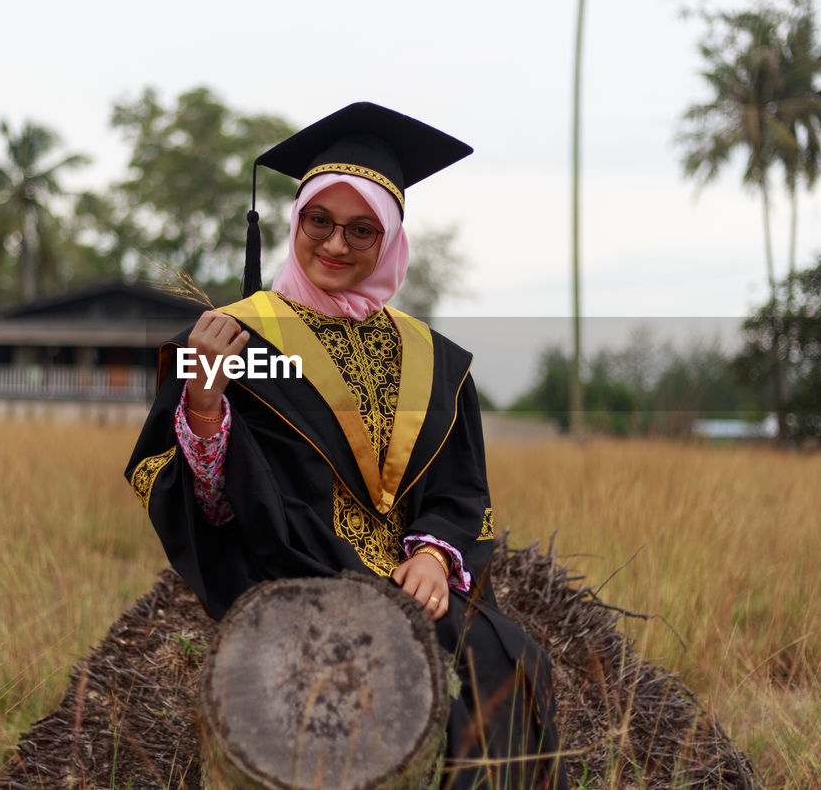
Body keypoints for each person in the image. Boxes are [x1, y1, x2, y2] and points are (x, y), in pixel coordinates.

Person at [126, 102, 568, 788]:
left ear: (389, 241)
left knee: (504, 654)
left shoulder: (432, 358)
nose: (336, 244)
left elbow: (459, 490)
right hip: (294, 569)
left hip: (406, 582)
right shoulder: (234, 338)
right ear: (295, 222)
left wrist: (431, 553)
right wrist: (207, 399)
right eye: (319, 222)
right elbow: (209, 504)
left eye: (361, 229)